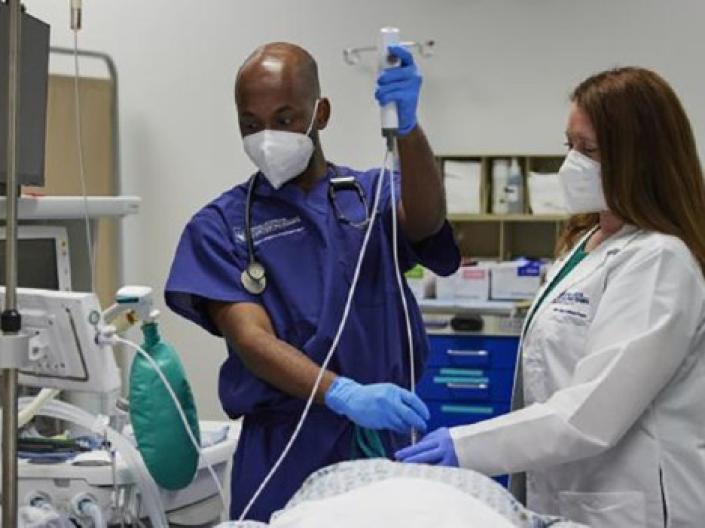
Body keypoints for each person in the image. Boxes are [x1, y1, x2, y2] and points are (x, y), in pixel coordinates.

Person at [396, 67, 705, 528]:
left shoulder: (659, 261)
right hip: (570, 492)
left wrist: (465, 445)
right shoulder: (588, 243)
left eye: (589, 150)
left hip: (630, 504)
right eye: (570, 146)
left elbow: (590, 413)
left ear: (639, 158)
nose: (572, 164)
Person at [165, 41, 460, 521]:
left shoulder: (369, 196)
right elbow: (250, 338)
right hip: (284, 448)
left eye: (284, 119)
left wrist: (406, 130)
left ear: (320, 113)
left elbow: (426, 220)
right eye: (250, 124)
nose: (266, 136)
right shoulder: (220, 226)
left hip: (382, 437)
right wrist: (341, 393)